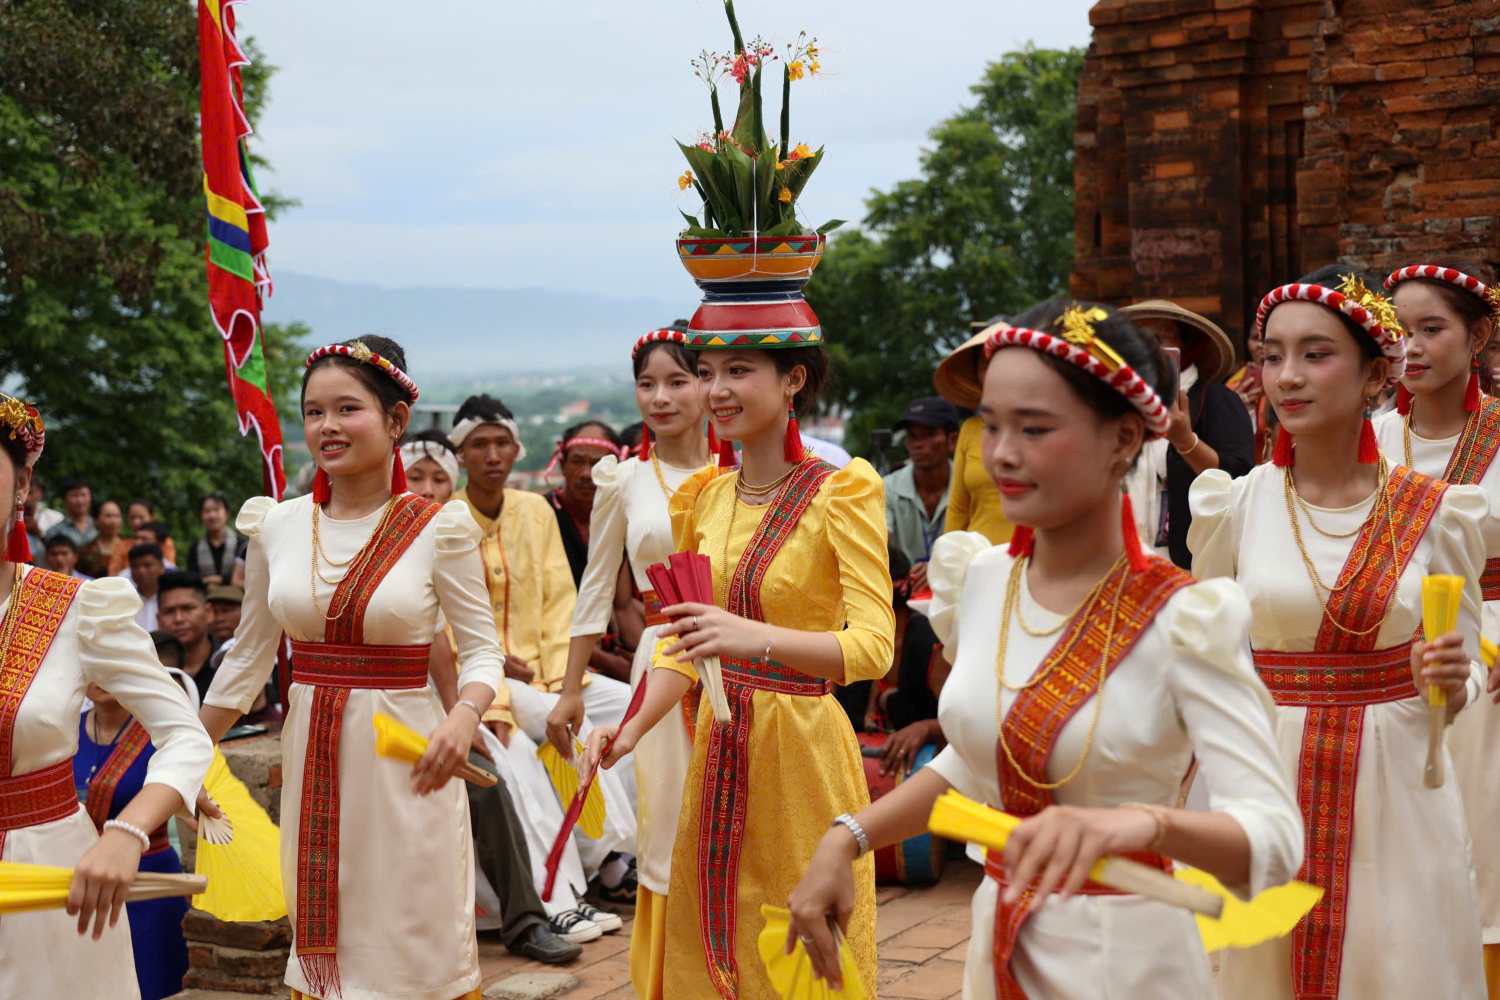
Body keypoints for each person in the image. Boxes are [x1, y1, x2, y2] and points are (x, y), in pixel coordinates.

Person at [784, 300, 1302, 996]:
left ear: (1122, 438)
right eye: (991, 425)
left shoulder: (1185, 618)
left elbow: (1271, 841)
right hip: (1001, 939)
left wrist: (1139, 823)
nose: (1002, 453)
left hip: (1128, 959)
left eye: (1034, 428)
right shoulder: (986, 580)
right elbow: (978, 759)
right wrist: (845, 839)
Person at [1190, 266, 1489, 999]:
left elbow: (1468, 666)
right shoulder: (1236, 506)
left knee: (1393, 963)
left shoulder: (1439, 513)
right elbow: (1203, 658)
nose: (1287, 377)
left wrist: (1455, 677)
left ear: (1374, 377)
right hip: (1262, 775)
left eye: (1316, 354)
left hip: (1395, 786)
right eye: (1272, 355)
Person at [586, 325, 897, 998]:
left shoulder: (840, 493)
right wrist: (633, 726)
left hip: (802, 750)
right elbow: (682, 637)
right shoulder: (706, 497)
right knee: (710, 934)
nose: (717, 391)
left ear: (794, 381)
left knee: (799, 941)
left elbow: (873, 647)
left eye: (739, 371)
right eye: (708, 371)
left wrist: (752, 637)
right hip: (716, 745)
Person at [199, 336, 503, 1000]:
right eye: (313, 412)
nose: (327, 427)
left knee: (413, 940)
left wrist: (462, 716)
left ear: (395, 422)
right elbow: (247, 661)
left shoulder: (436, 529)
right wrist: (185, 749)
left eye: (347, 409)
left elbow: (482, 649)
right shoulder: (276, 528)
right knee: (326, 932)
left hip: (410, 760)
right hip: (315, 761)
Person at [0, 393, 212, 1000]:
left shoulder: (77, 609)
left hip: (56, 884)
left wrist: (126, 832)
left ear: (22, 486)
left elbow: (183, 732)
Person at [546, 327, 719, 997]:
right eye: (647, 384)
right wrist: (568, 692)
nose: (662, 396)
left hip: (741, 656)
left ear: (710, 385)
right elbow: (595, 593)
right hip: (666, 653)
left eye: (679, 381)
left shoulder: (745, 472)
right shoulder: (626, 479)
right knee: (669, 825)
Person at [397, 436, 586, 964]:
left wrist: (461, 712)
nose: (429, 490)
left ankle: (530, 917)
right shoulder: (364, 531)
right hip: (353, 702)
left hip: (434, 696)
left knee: (487, 779)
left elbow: (440, 640)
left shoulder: (439, 539)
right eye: (417, 477)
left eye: (439, 479)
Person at [449, 393, 632, 939]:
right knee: (544, 743)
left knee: (634, 707)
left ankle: (620, 857)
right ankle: (568, 887)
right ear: (461, 455)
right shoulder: (445, 519)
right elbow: (447, 626)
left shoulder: (533, 510)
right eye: (478, 445)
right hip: (481, 679)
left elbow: (560, 600)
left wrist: (563, 680)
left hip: (548, 670)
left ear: (517, 449)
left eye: (501, 443)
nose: (491, 455)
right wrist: (506, 693)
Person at [1376, 258, 1500, 990]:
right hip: (1389, 655)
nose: (1411, 349)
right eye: (1397, 333)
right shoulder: (1368, 440)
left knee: (1486, 840)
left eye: (1431, 329)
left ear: (1477, 335)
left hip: (1489, 653)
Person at [73, 680, 192, 999]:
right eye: (91, 669)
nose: (100, 678)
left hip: (147, 883)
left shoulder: (165, 736)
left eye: (108, 666)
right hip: (83, 883)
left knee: (153, 983)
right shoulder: (63, 734)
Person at [1120, 299, 1255, 569]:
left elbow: (1239, 482)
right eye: (1136, 340)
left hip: (1190, 566)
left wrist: (1186, 442)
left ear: (1186, 346)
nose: (1146, 349)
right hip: (1124, 560)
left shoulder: (1215, 399)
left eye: (1158, 338)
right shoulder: (1116, 407)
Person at [937, 320, 1015, 544]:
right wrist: (947, 561)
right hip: (977, 562)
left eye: (1001, 362)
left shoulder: (1044, 427)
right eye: (985, 364)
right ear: (977, 375)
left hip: (1036, 562)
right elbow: (958, 509)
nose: (993, 372)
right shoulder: (970, 430)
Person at [883, 396, 959, 580]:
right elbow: (879, 538)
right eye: (912, 436)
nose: (918, 444)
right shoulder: (887, 487)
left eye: (930, 434)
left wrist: (938, 568)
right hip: (903, 593)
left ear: (952, 440)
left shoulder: (968, 486)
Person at [546, 421, 624, 586]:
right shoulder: (540, 514)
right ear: (562, 465)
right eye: (577, 461)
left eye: (598, 463)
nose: (586, 474)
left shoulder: (624, 518)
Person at [157, 572, 219, 701]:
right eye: (169, 611)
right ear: (158, 619)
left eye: (187, 608)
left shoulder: (228, 663)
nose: (178, 619)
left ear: (208, 613)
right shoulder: (150, 669)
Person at [184, 494, 247, 588]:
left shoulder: (242, 545)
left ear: (226, 513)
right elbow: (192, 577)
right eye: (207, 511)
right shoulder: (195, 548)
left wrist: (216, 579)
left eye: (216, 510)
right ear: (201, 516)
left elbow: (245, 576)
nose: (212, 515)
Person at [80, 499, 127, 579]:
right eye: (108, 516)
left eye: (117, 516)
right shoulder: (86, 551)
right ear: (96, 520)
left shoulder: (130, 546)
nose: (113, 521)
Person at [125, 500, 177, 567]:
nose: (136, 522)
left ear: (152, 517)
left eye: (141, 517)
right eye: (132, 518)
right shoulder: (122, 545)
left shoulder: (166, 542)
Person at [127, 542, 165, 632]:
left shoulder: (171, 600)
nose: (141, 571)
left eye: (147, 565)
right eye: (135, 566)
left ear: (162, 567)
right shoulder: (125, 601)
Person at [54, 478, 99, 549]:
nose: (80, 501)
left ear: (91, 498)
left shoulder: (100, 527)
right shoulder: (55, 532)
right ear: (64, 500)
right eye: (74, 495)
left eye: (83, 495)